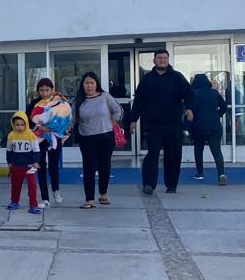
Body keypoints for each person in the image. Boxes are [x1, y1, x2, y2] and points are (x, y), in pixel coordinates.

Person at [128, 49, 193, 195]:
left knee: (173, 155)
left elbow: (189, 95)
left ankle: (171, 185)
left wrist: (189, 109)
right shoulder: (147, 79)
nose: (162, 60)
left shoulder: (177, 77)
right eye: (159, 58)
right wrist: (133, 119)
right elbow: (139, 101)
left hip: (173, 124)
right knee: (152, 154)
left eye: (165, 58)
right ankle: (149, 184)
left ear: (168, 60)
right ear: (154, 60)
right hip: (153, 125)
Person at [72, 71, 121, 208]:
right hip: (86, 138)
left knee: (104, 166)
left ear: (96, 84)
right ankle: (89, 200)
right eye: (86, 83)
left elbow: (118, 110)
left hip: (106, 137)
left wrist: (113, 122)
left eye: (91, 83)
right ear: (82, 85)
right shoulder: (79, 100)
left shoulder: (105, 96)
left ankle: (103, 194)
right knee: (89, 168)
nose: (89, 86)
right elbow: (72, 118)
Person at [28, 78, 72, 206]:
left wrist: (61, 127)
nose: (44, 93)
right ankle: (45, 199)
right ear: (38, 91)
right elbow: (28, 120)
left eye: (47, 90)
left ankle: (56, 191)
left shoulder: (59, 101)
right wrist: (39, 127)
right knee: (40, 167)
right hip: (39, 139)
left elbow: (66, 116)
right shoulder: (34, 103)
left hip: (55, 138)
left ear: (52, 89)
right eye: (41, 90)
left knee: (53, 166)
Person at [189, 73, 230, 185]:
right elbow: (224, 107)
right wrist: (217, 115)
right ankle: (221, 174)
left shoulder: (194, 94)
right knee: (217, 151)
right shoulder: (215, 93)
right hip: (214, 126)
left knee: (198, 149)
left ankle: (200, 173)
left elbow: (190, 109)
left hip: (198, 126)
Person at [4, 112, 43, 215]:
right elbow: (9, 151)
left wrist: (36, 162)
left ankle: (33, 206)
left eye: (22, 124)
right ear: (13, 124)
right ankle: (14, 202)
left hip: (30, 166)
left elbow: (37, 151)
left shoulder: (31, 135)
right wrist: (9, 163)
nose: (20, 127)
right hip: (16, 166)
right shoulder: (11, 135)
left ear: (26, 124)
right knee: (15, 185)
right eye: (17, 125)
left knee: (32, 186)